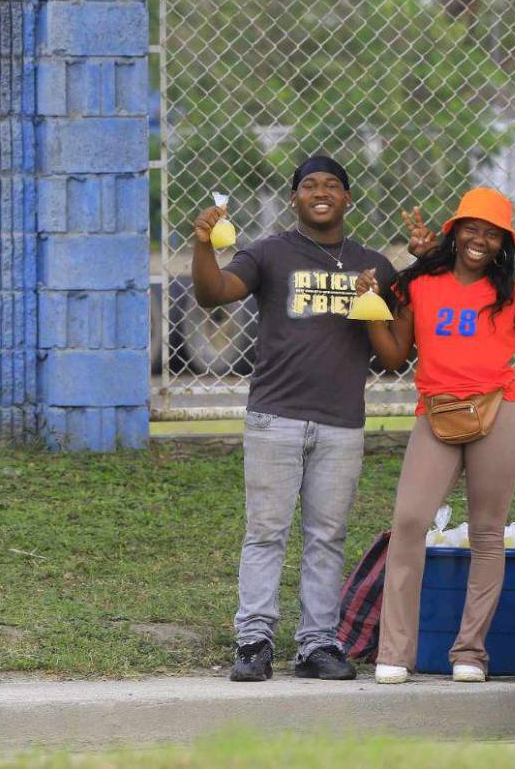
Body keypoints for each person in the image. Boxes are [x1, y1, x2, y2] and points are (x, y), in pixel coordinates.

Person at [353, 187, 515, 684]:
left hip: (497, 411)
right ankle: (395, 653)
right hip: (436, 414)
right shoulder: (418, 283)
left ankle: (470, 652)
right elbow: (394, 356)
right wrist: (371, 307)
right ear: (455, 232)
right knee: (409, 523)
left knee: (488, 533)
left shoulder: (509, 294)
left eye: (492, 234)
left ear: (503, 244)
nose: (480, 240)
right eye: (472, 229)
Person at [191, 154, 397, 682]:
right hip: (274, 418)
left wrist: (410, 266)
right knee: (266, 532)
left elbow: (395, 348)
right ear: (294, 198)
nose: (320, 192)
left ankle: (317, 644)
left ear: (348, 198)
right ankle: (254, 641)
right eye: (309, 185)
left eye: (331, 184)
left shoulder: (373, 264)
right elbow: (214, 293)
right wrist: (202, 244)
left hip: (341, 422)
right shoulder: (269, 253)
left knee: (327, 536)